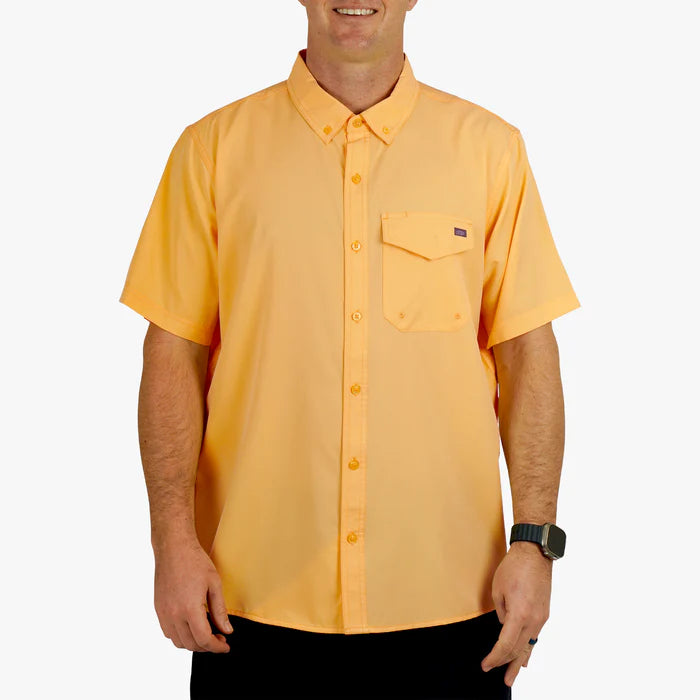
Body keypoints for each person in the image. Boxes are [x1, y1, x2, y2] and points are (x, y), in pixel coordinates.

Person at [119, 1, 580, 698]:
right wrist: (172, 542)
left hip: (454, 603)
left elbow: (528, 357)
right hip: (249, 607)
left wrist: (535, 541)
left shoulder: (490, 151)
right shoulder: (212, 150)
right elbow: (171, 357)